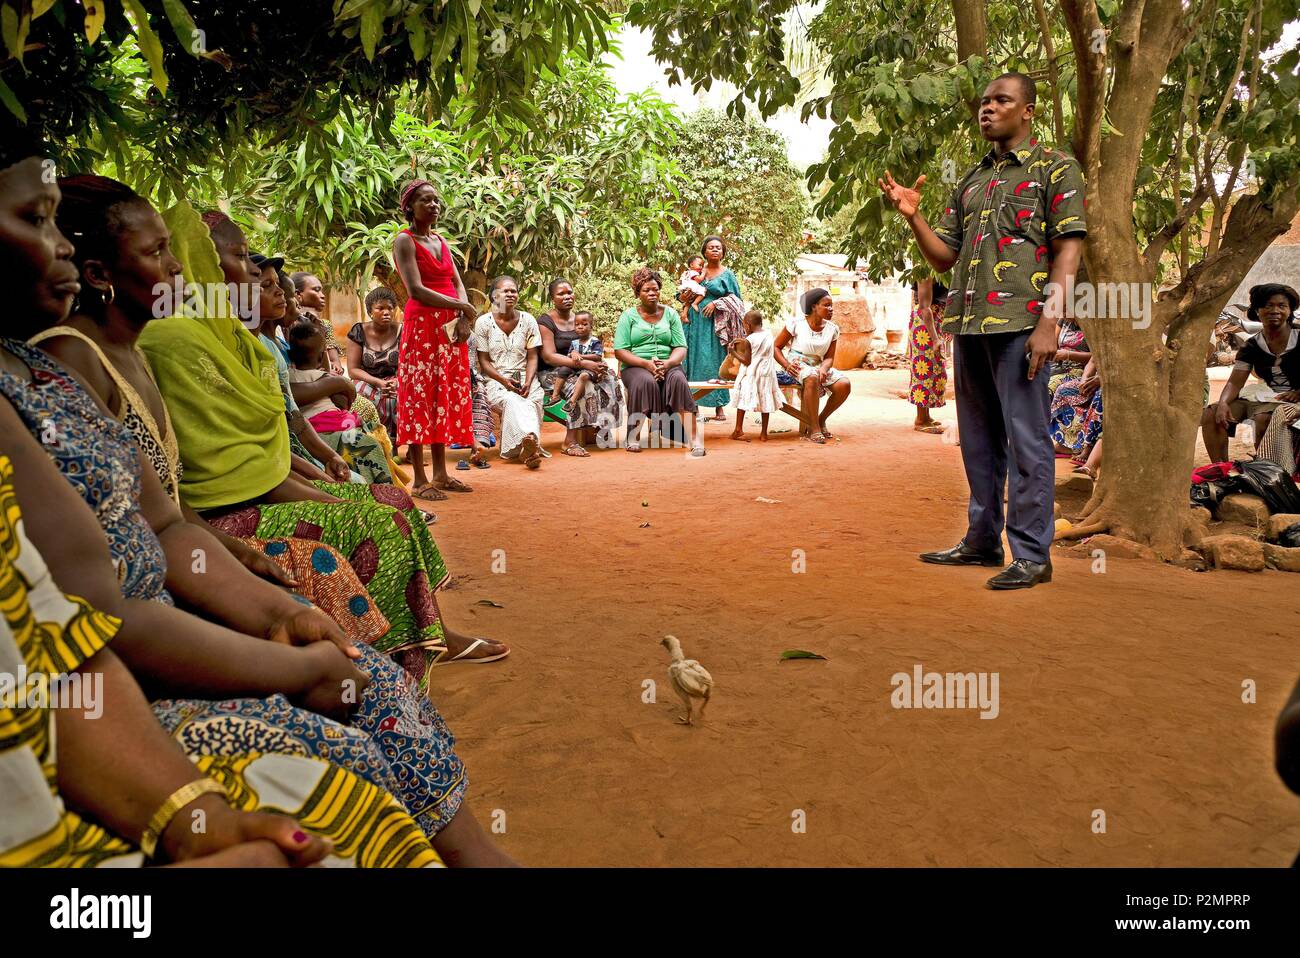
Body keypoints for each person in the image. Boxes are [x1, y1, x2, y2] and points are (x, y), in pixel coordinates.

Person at [0, 153, 510, 865]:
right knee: (338, 619)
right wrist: (287, 667)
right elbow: (101, 614)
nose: (190, 272)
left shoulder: (51, 372)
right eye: (33, 220)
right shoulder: (74, 362)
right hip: (136, 660)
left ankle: (460, 813)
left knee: (359, 625)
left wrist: (281, 617)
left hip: (163, 608)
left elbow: (169, 524)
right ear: (101, 276)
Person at [136, 207, 510, 681]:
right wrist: (321, 488)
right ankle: (395, 656)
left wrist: (318, 470)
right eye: (238, 256)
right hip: (222, 507)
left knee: (393, 498)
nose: (253, 270)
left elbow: (268, 439)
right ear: (200, 264)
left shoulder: (231, 335)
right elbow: (230, 466)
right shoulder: (175, 340)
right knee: (381, 519)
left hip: (268, 483)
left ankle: (428, 630)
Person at [880, 71, 1086, 590]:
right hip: (968, 327)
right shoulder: (971, 181)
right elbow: (945, 256)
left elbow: (1069, 251)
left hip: (1022, 326)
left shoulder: (1055, 169)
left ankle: (1033, 555)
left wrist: (1050, 322)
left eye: (1002, 100)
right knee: (978, 442)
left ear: (1028, 110)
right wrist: (913, 217)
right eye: (984, 101)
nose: (988, 108)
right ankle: (981, 541)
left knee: (1027, 442)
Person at [392, 178, 478, 499]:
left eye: (436, 201)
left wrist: (462, 316)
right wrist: (461, 307)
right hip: (421, 327)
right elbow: (415, 289)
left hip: (448, 327)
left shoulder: (440, 240)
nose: (433, 205)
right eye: (425, 201)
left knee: (443, 396)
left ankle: (441, 474)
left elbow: (457, 281)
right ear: (410, 208)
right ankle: (420, 480)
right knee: (419, 397)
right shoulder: (404, 241)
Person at [1201, 283, 1300, 463]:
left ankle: (1269, 472)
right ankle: (1221, 470)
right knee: (1212, 413)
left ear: (1290, 310)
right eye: (1267, 305)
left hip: (1293, 401)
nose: (1274, 310)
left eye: (1281, 306)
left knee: (1264, 418)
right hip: (1266, 397)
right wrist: (1223, 403)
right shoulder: (1251, 346)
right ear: (1257, 310)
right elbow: (1235, 382)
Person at [614, 267, 703, 455]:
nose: (652, 293)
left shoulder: (670, 314)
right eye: (647, 290)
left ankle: (694, 440)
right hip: (636, 365)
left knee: (678, 380)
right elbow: (620, 351)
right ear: (638, 293)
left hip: (667, 364)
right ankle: (633, 436)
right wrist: (646, 364)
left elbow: (680, 347)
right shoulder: (628, 316)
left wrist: (668, 364)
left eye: (655, 289)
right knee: (644, 381)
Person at [537, 277, 622, 457]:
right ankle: (570, 441)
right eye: (561, 294)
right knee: (583, 385)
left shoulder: (581, 320)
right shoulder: (545, 321)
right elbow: (549, 356)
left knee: (610, 377)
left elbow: (592, 345)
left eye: (569, 292)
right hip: (554, 372)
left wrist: (598, 365)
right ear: (553, 298)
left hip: (580, 368)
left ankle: (600, 429)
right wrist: (584, 363)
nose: (567, 296)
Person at [474, 275, 545, 469]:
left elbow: (532, 357)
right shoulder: (483, 323)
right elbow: (484, 361)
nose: (511, 294)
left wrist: (529, 381)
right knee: (512, 400)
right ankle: (530, 441)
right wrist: (504, 381)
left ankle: (527, 447)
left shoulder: (528, 320)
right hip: (495, 379)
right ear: (494, 295)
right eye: (506, 291)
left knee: (530, 399)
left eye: (514, 290)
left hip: (525, 377)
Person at [773, 289, 852, 443]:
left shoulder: (832, 329)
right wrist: (786, 365)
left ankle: (821, 419)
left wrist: (824, 368)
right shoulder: (796, 324)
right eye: (826, 305)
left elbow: (829, 357)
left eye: (832, 306)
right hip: (797, 364)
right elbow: (776, 347)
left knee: (844, 384)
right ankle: (814, 429)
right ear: (814, 306)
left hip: (818, 365)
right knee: (812, 376)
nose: (831, 309)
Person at [679, 236, 740, 422]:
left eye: (718, 248)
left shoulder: (728, 275)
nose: (715, 250)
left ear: (723, 253)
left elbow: (737, 299)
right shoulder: (695, 272)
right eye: (711, 247)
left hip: (716, 326)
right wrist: (684, 296)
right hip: (694, 323)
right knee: (692, 359)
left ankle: (719, 406)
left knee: (715, 360)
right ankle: (693, 405)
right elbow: (680, 295)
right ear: (704, 251)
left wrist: (717, 303)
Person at [348, 286, 402, 435]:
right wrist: (378, 382)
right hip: (368, 380)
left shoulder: (402, 331)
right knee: (359, 391)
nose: (386, 312)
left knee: (406, 393)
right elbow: (353, 370)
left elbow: (409, 366)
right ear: (370, 311)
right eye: (380, 308)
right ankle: (370, 440)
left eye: (390, 308)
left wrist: (397, 381)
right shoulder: (358, 331)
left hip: (396, 380)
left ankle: (400, 442)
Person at [729, 309, 782, 442]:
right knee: (765, 400)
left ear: (748, 325)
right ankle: (764, 433)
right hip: (767, 373)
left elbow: (747, 361)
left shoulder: (749, 340)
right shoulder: (769, 335)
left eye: (744, 325)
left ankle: (738, 429)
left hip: (752, 374)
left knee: (742, 398)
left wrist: (733, 352)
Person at [909, 278, 948, 433]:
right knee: (924, 370)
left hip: (932, 321)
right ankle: (920, 420)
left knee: (934, 368)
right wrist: (934, 338)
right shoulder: (925, 268)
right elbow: (925, 307)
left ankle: (925, 416)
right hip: (926, 324)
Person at [548, 310, 606, 416]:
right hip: (577, 367)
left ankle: (572, 402)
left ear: (591, 326)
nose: (580, 327)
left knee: (584, 376)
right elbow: (569, 355)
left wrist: (580, 356)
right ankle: (555, 396)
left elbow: (597, 356)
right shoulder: (574, 342)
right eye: (577, 324)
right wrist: (573, 353)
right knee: (563, 369)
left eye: (584, 324)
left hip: (590, 369)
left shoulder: (594, 341)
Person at [291, 270, 344, 374]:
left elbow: (336, 362)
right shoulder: (290, 324)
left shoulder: (324, 325)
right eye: (316, 290)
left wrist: (335, 368)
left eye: (321, 291)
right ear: (298, 294)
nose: (322, 295)